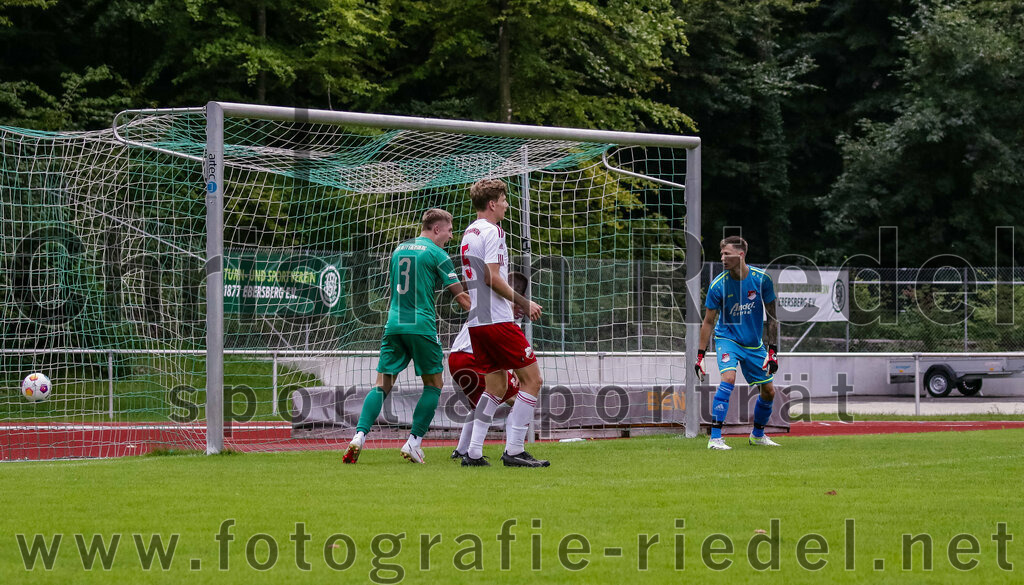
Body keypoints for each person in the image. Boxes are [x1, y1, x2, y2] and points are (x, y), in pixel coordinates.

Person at [343, 209, 471, 464]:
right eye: (449, 229)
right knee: (434, 385)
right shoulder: (438, 254)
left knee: (382, 384)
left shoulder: (399, 249)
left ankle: (359, 436)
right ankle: (413, 442)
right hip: (421, 326)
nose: (451, 235)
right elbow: (462, 298)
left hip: (394, 325)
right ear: (436, 229)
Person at [459, 179, 547, 467]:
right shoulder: (494, 231)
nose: (507, 205)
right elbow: (492, 277)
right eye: (504, 200)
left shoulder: (468, 232)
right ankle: (515, 450)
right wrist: (523, 302)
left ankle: (472, 454)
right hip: (497, 321)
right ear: (493, 203)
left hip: (477, 322)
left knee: (495, 387)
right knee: (533, 381)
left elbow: (473, 279)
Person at [694, 235, 780, 450]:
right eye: (721, 254)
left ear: (740, 255)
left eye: (727, 254)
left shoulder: (762, 280)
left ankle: (757, 435)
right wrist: (700, 356)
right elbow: (707, 322)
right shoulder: (718, 285)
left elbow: (773, 318)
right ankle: (715, 438)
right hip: (727, 339)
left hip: (753, 344)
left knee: (769, 391)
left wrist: (773, 352)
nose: (722, 258)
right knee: (729, 379)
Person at [447, 271, 529, 461]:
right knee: (520, 399)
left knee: (479, 406)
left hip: (455, 359)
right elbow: (501, 343)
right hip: (471, 358)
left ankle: (462, 450)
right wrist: (516, 369)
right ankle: (514, 451)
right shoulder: (502, 310)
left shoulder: (486, 301)